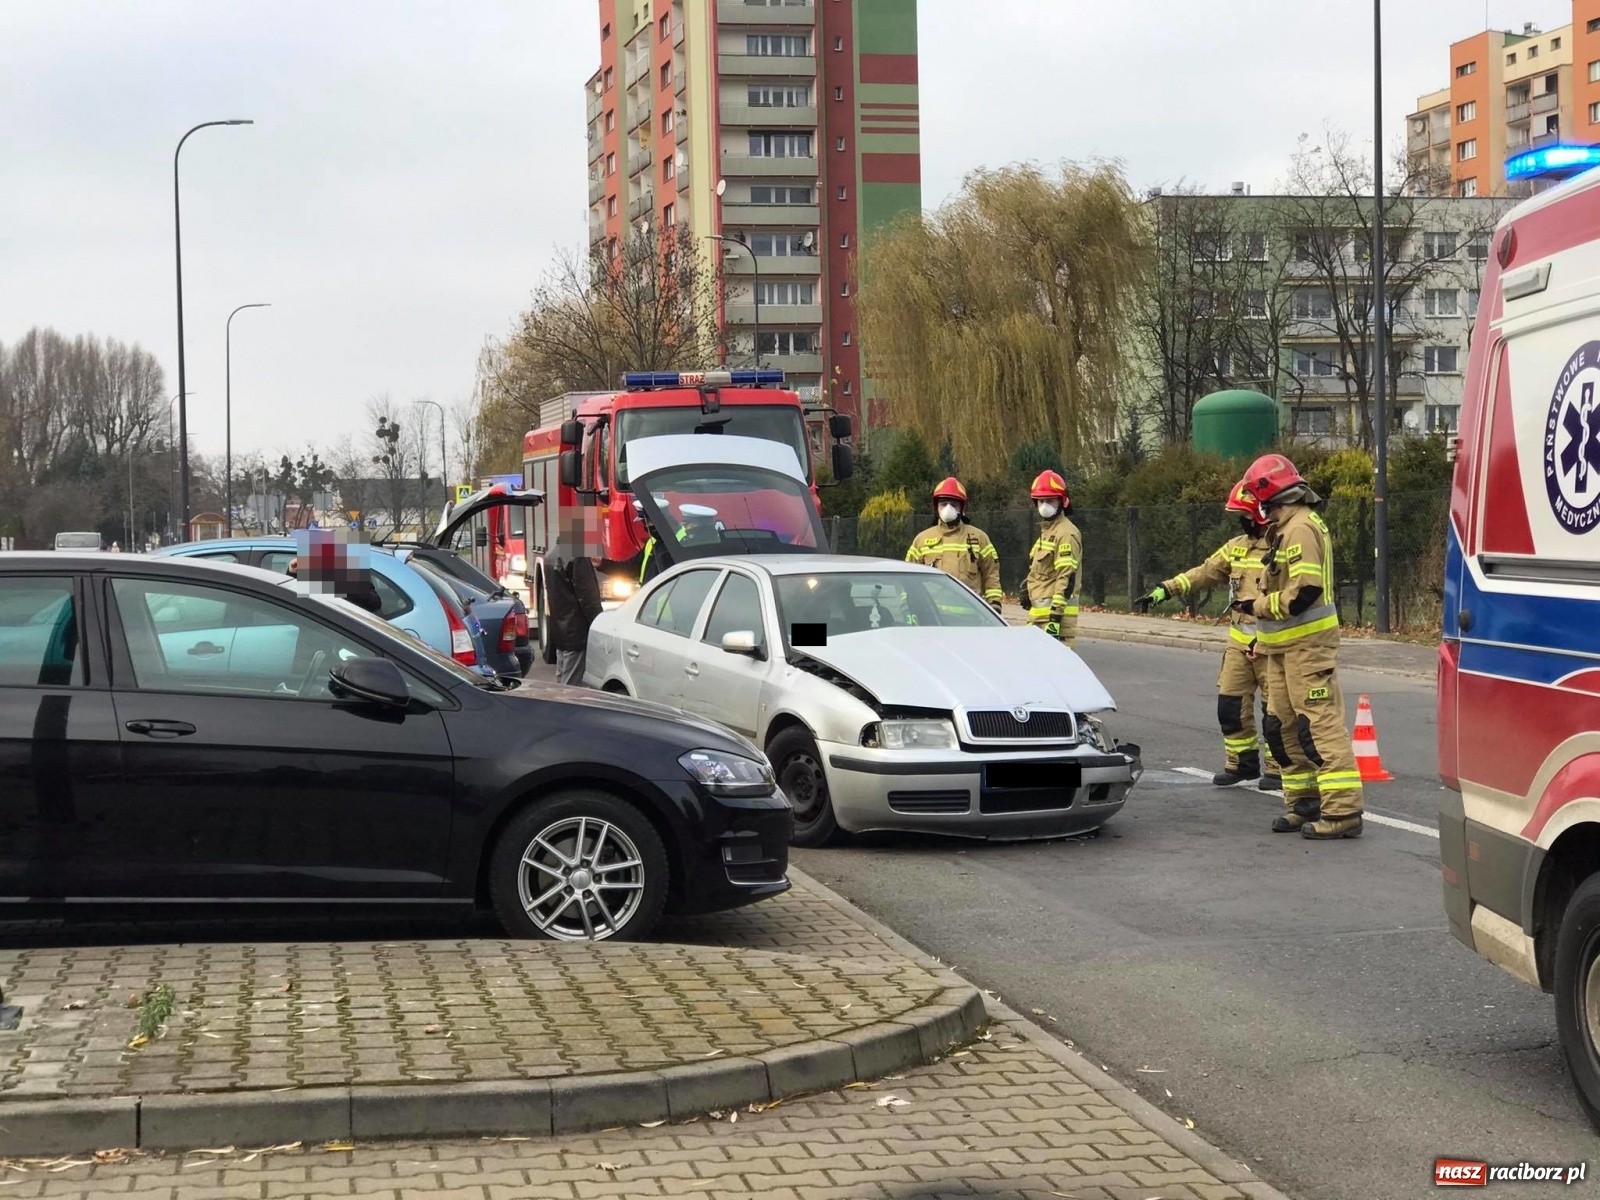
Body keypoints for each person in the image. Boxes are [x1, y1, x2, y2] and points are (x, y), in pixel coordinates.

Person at [1235, 453, 1364, 840]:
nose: (1262, 513)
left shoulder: (1302, 528)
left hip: (1307, 649)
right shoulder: (1285, 529)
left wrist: (1254, 607)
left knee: (1317, 727)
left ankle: (1343, 812)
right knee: (1280, 728)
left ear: (1271, 496)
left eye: (1264, 505)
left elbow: (1304, 592)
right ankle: (1303, 803)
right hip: (1282, 647)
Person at [1136, 482, 1278, 790]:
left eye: (1244, 513)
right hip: (1239, 646)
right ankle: (1242, 764)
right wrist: (1165, 590)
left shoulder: (1281, 545)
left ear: (1259, 513)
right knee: (1230, 706)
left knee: (1276, 714)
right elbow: (1205, 572)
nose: (1240, 520)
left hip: (1271, 646)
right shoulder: (1237, 546)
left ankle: (1280, 770)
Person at [905, 477, 1003, 613]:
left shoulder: (979, 538)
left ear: (962, 508)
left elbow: (991, 573)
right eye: (943, 504)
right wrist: (907, 610)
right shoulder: (922, 540)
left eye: (953, 504)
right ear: (936, 507)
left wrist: (994, 604)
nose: (948, 509)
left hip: (971, 618)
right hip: (933, 618)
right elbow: (908, 579)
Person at [1023, 470, 1082, 647]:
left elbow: (1066, 577)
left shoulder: (1066, 533)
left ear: (1062, 501)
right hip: (1038, 618)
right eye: (1041, 501)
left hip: (1054, 622)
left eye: (1050, 500)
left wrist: (1055, 618)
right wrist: (1028, 589)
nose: (1045, 505)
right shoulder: (1048, 532)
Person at [548, 557, 603, 685]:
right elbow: (588, 599)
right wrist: (599, 625)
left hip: (562, 630)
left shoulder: (552, 554)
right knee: (571, 689)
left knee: (562, 682)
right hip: (576, 631)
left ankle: (559, 704)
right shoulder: (578, 558)